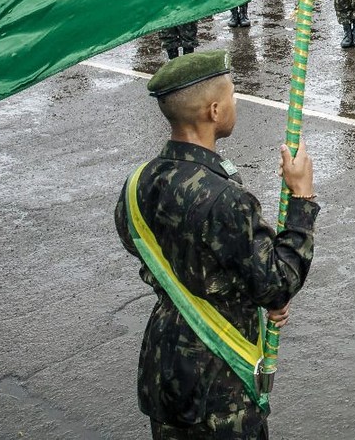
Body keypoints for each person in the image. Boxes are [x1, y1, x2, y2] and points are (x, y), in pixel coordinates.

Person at [115, 50, 318, 439]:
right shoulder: (223, 197)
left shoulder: (137, 181)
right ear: (213, 110)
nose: (235, 103)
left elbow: (146, 249)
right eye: (232, 97)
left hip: (166, 361)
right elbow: (276, 281)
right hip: (219, 373)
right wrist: (301, 199)